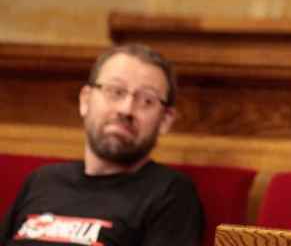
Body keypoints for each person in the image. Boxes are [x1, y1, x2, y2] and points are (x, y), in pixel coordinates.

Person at [1, 44, 204, 246]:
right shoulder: (42, 181)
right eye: (115, 91)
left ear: (165, 120)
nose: (126, 109)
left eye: (147, 101)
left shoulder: (170, 194)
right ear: (85, 101)